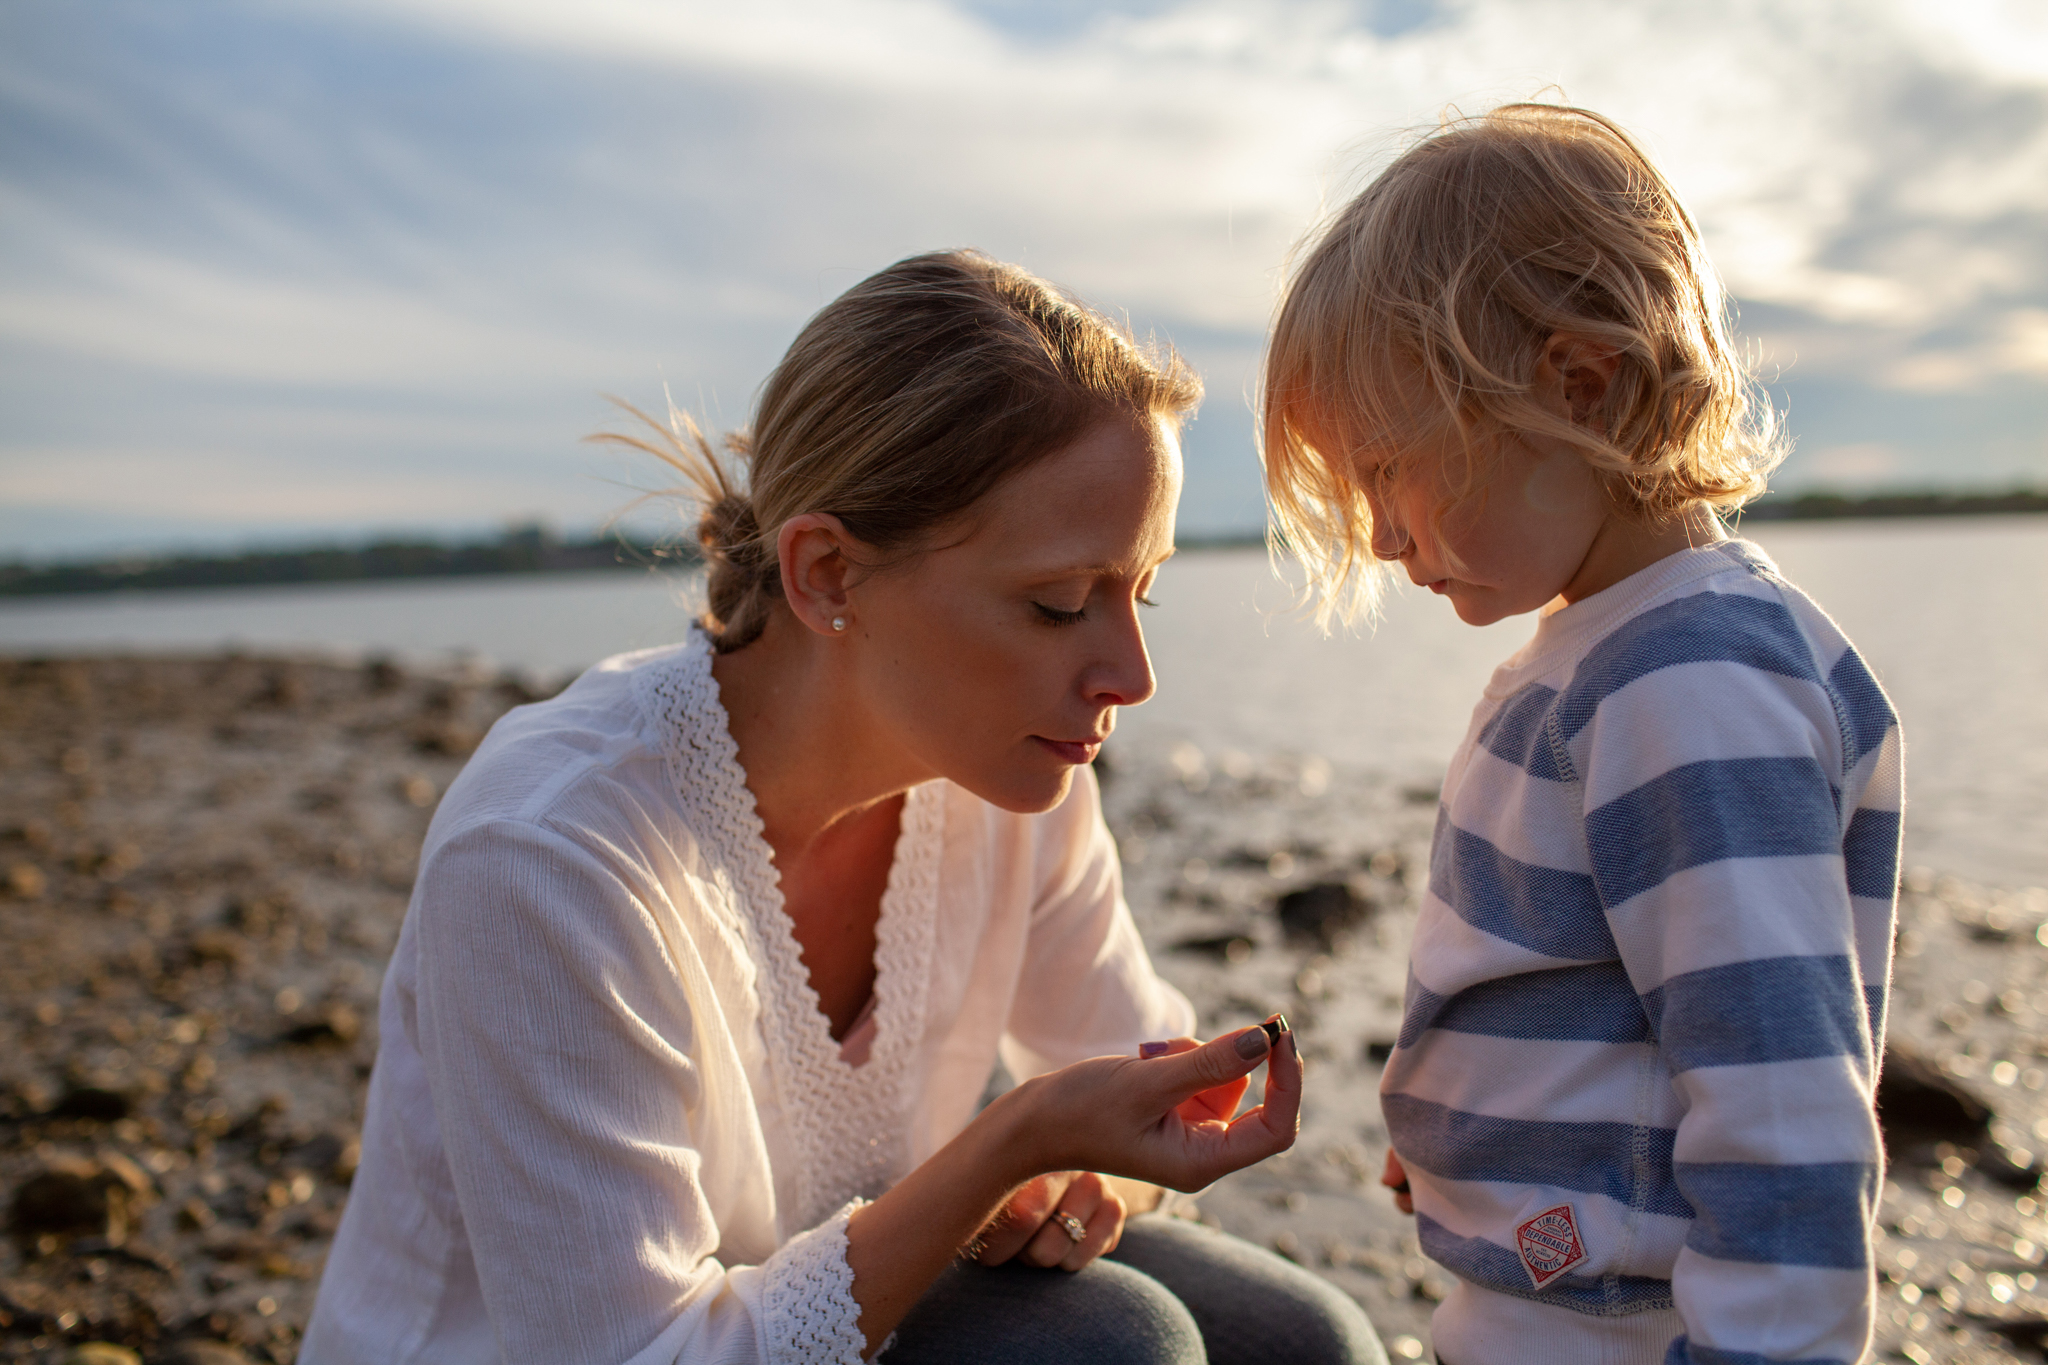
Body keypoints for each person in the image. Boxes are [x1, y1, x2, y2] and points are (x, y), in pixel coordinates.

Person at [303, 249, 1386, 1365]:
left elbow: (1122, 1075)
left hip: (812, 1298)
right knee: (1115, 1350)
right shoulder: (550, 852)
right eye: (1059, 604)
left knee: (1308, 1342)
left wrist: (1091, 1177)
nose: (1131, 673)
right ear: (825, 573)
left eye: (1139, 589)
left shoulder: (1009, 774)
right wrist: (1007, 1145)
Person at [1258, 105, 1904, 1364]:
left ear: (1577, 381)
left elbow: (1780, 1106)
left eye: (1388, 470)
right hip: (1543, 1304)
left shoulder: (1686, 684)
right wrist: (1484, 1142)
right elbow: (1589, 983)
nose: (1380, 537)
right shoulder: (1614, 654)